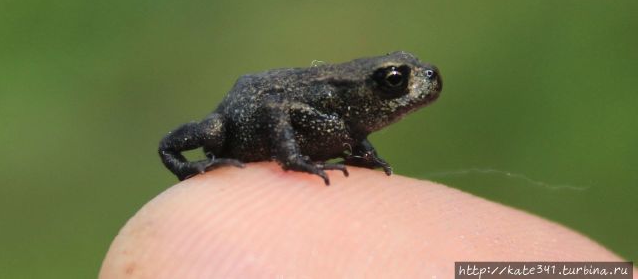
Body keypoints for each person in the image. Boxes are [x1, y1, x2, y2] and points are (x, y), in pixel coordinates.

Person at [100, 163, 630, 278]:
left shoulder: (344, 117)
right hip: (250, 110)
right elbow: (294, 114)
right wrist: (293, 158)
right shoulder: (332, 99)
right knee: (181, 139)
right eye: (394, 81)